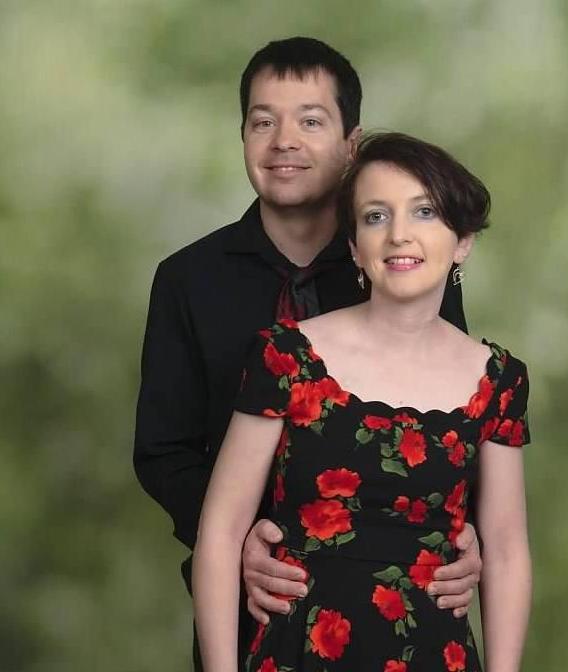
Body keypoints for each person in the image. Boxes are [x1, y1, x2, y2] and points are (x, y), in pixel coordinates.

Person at [134, 38, 482, 670]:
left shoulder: (404, 265)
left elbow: (459, 424)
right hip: (253, 596)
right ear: (242, 136)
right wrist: (239, 538)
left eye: (311, 121)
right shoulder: (188, 279)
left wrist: (469, 534)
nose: (283, 142)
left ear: (352, 143)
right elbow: (163, 450)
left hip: (399, 598)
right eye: (262, 122)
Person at [193, 132, 532, 671]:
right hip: (297, 654)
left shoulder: (499, 381)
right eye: (376, 216)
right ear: (354, 246)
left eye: (424, 212)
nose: (399, 234)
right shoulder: (286, 355)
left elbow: (508, 549)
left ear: (463, 240)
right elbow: (221, 531)